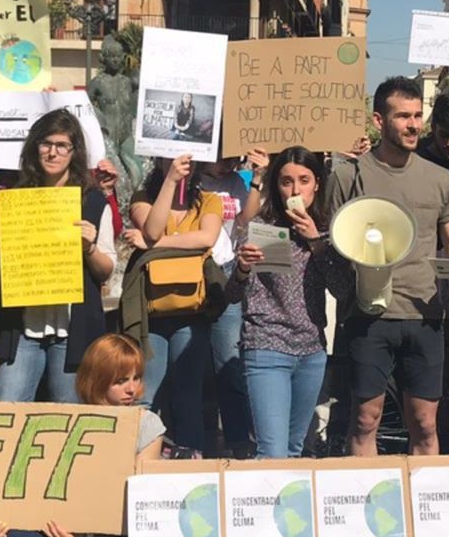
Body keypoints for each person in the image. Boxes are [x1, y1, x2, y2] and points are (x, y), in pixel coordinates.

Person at [325, 77, 449, 457]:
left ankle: (422, 508)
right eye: (403, 116)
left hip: (424, 316)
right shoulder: (349, 174)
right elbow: (333, 245)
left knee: (425, 423)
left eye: (417, 116)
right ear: (379, 120)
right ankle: (367, 504)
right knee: (365, 420)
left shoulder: (440, 179)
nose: (413, 125)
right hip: (369, 316)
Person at [0, 333, 161, 537]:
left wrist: (86, 533)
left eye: (136, 378)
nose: (132, 389)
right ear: (97, 380)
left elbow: (140, 506)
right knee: (11, 529)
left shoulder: (148, 425)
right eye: (120, 381)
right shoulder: (66, 419)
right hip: (59, 536)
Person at [0, 109, 114, 403]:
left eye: (62, 145)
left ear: (74, 152)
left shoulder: (92, 201)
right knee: (8, 413)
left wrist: (89, 247)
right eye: (46, 143)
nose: (53, 152)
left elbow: (106, 271)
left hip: (71, 331)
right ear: (34, 147)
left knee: (67, 421)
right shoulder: (17, 197)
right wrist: (5, 252)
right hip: (23, 328)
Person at [227, 147, 337, 458]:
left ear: (317, 183)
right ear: (277, 186)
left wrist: (317, 241)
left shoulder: (329, 230)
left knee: (293, 449)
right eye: (287, 181)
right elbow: (232, 296)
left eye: (304, 180)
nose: (296, 190)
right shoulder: (262, 227)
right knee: (272, 452)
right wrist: (243, 268)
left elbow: (342, 288)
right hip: (267, 347)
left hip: (311, 351)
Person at [125, 154, 220, 451]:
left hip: (191, 310)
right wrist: (170, 181)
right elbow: (152, 227)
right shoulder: (142, 198)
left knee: (188, 393)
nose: (181, 163)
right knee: (145, 394)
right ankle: (141, 459)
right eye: (171, 158)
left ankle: (190, 460)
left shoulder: (209, 200)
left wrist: (155, 245)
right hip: (151, 312)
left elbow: (206, 238)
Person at [203, 157, 254, 457]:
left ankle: (237, 444)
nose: (229, 163)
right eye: (222, 155)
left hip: (226, 273)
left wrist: (257, 179)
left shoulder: (236, 182)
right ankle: (193, 441)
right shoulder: (188, 178)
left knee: (229, 363)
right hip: (189, 272)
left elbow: (247, 222)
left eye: (234, 157)